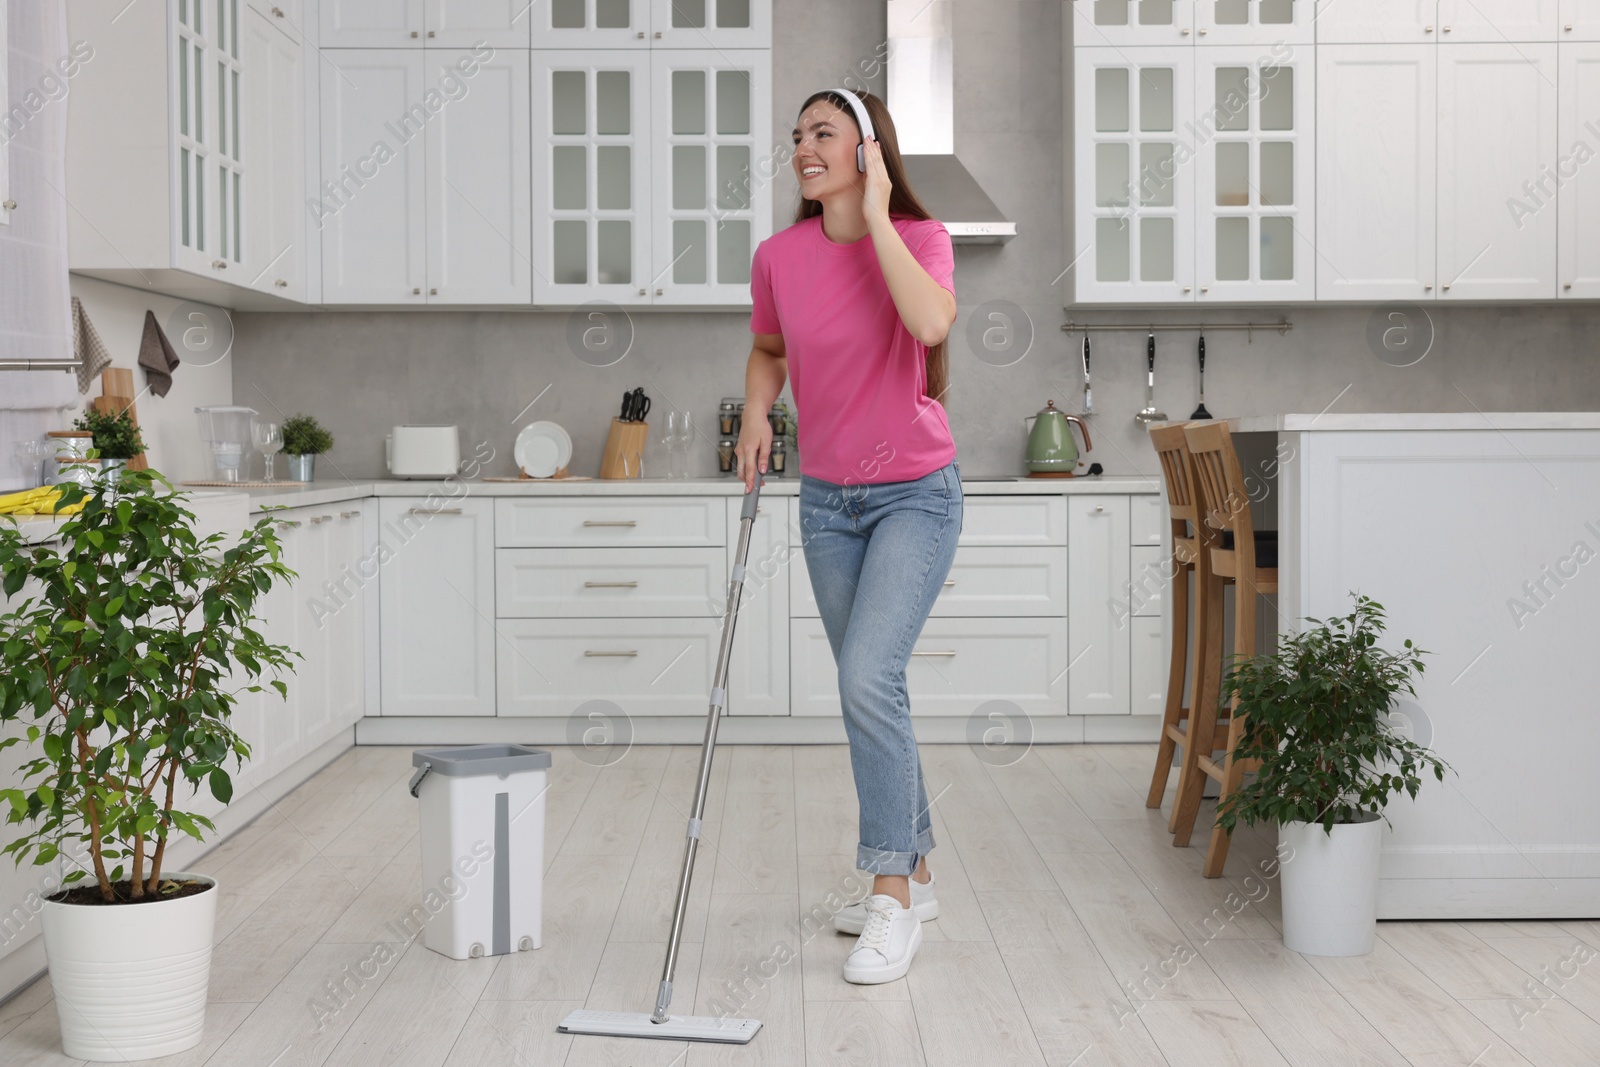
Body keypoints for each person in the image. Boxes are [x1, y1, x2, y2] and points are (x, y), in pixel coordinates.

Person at [735, 87, 961, 986]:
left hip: (915, 495)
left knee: (867, 677)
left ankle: (891, 897)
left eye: (823, 133)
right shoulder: (778, 256)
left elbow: (932, 323)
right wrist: (758, 411)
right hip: (828, 501)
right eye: (797, 138)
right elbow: (769, 349)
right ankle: (919, 868)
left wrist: (877, 215)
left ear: (867, 148)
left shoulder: (921, 239)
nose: (802, 149)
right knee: (874, 687)